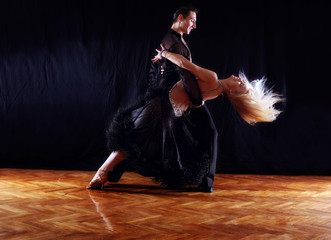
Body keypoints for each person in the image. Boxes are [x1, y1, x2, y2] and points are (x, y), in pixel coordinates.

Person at [87, 43, 282, 192]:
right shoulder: (215, 91)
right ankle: (103, 173)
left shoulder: (213, 79)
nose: (239, 79)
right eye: (242, 81)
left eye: (240, 84)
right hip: (167, 111)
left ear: (234, 91)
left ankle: (104, 173)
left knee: (133, 143)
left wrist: (164, 54)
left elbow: (184, 64)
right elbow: (194, 97)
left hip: (164, 110)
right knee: (134, 143)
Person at [92, 6, 219, 192]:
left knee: (140, 136)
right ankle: (206, 182)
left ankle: (111, 173)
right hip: (176, 97)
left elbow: (157, 71)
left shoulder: (175, 39)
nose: (195, 25)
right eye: (192, 20)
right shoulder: (174, 42)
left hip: (172, 96)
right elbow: (186, 76)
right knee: (142, 136)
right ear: (181, 18)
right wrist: (197, 100)